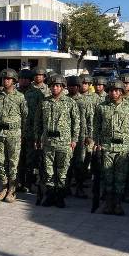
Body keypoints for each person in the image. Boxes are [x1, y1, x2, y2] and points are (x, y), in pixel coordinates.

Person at [93, 80, 129, 215]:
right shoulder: (102, 107)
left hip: (123, 148)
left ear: (121, 92)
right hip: (107, 147)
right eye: (111, 90)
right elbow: (97, 126)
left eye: (117, 90)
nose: (114, 93)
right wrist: (97, 143)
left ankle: (118, 204)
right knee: (107, 176)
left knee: (120, 177)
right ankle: (108, 204)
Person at [35, 74, 79, 208]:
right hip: (48, 142)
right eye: (53, 86)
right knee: (49, 171)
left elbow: (76, 123)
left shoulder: (70, 103)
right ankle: (50, 195)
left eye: (58, 86)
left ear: (62, 87)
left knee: (62, 171)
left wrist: (74, 139)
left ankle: (60, 196)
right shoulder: (44, 102)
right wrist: (37, 138)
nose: (55, 88)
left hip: (64, 143)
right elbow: (38, 122)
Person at [0, 69, 27, 202]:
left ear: (14, 81)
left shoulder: (20, 97)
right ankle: (4, 187)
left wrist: (23, 134)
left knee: (13, 163)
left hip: (14, 134)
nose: (6, 81)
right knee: (0, 162)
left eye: (9, 79)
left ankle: (12, 190)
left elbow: (25, 117)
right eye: (4, 79)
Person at [21, 67, 50, 194]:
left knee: (41, 159)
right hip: (27, 130)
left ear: (44, 77)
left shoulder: (49, 91)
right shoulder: (28, 91)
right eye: (36, 75)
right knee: (27, 158)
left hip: (43, 131)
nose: (38, 77)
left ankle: (41, 182)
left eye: (41, 75)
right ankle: (27, 182)